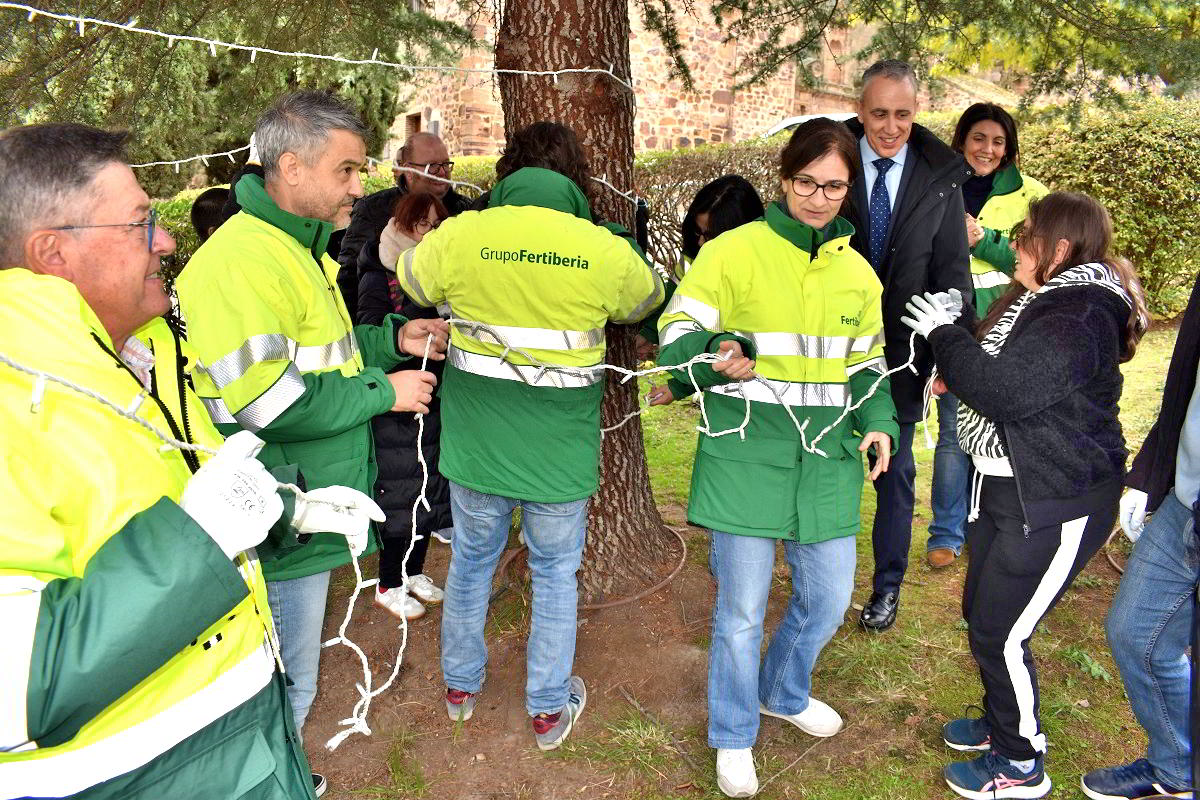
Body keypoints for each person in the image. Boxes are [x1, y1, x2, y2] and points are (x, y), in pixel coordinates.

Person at [0, 122, 375, 799]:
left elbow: (177, 491)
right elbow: (14, 685)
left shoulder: (139, 353)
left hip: (235, 753)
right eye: (140, 223)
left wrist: (293, 508)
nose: (167, 240)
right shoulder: (13, 402)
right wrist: (198, 540)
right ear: (53, 252)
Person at [176, 90, 449, 762]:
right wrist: (384, 391)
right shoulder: (248, 259)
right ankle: (281, 776)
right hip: (277, 509)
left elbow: (322, 349)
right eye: (348, 170)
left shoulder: (290, 246)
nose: (361, 186)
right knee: (283, 678)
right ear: (292, 168)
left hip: (302, 500)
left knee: (287, 668)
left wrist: (391, 339)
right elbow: (274, 403)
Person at [393, 120, 664, 751]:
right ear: (574, 178)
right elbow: (643, 300)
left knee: (470, 565)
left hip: (477, 447)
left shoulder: (462, 234)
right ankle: (546, 711)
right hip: (558, 456)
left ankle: (460, 688)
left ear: (508, 171)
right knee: (554, 574)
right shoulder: (598, 246)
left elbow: (411, 282)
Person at [658, 117, 898, 798]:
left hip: (828, 462)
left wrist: (878, 421)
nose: (819, 198)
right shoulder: (732, 252)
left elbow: (868, 363)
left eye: (834, 186)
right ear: (784, 179)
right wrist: (716, 350)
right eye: (806, 183)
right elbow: (676, 332)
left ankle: (783, 692)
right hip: (745, 455)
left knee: (827, 599)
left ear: (850, 188)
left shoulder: (858, 273)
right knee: (740, 611)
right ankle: (733, 734)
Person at [901, 191, 1149, 799]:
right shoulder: (1047, 300)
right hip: (1011, 485)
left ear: (1059, 248)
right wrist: (956, 356)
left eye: (1023, 233)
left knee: (1000, 629)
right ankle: (1001, 724)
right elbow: (999, 375)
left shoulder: (1081, 310)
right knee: (981, 614)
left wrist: (944, 335)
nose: (1012, 243)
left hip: (1056, 496)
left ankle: (1019, 763)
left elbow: (1007, 392)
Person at [840, 59, 973, 632]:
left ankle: (886, 586)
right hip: (827, 344)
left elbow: (953, 275)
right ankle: (821, 573)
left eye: (902, 114)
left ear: (915, 113)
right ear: (860, 109)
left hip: (903, 353)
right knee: (825, 460)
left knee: (893, 473)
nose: (890, 127)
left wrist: (948, 352)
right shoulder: (832, 157)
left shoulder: (939, 176)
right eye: (878, 113)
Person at [1080, 272, 1200, 800]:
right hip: (1185, 503)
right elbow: (1183, 384)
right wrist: (1150, 475)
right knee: (1135, 631)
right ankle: (1176, 766)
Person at [926, 103, 1050, 569]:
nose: (988, 149)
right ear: (962, 140)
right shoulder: (937, 186)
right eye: (979, 138)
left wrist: (984, 240)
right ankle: (946, 532)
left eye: (998, 141)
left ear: (1010, 147)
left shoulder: (1032, 195)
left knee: (1006, 425)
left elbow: (1041, 263)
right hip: (955, 322)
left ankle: (1003, 524)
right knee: (954, 431)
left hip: (1009, 324)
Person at [357, 190, 452, 621]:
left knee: (428, 488)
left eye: (436, 225)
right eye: (421, 224)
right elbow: (370, 334)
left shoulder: (444, 274)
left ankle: (414, 571)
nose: (429, 232)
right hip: (396, 401)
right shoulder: (378, 272)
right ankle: (388, 582)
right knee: (399, 493)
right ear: (401, 224)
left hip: (434, 396)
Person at [638, 174, 764, 404]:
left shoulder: (761, 269)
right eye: (698, 232)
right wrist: (647, 334)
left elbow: (730, 352)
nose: (701, 243)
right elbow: (674, 301)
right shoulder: (693, 258)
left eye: (711, 236)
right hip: (719, 389)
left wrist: (678, 387)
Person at [337, 131, 471, 317]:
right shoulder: (373, 209)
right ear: (409, 172)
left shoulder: (466, 212)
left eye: (446, 164)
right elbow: (349, 279)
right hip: (389, 330)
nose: (442, 172)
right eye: (432, 166)